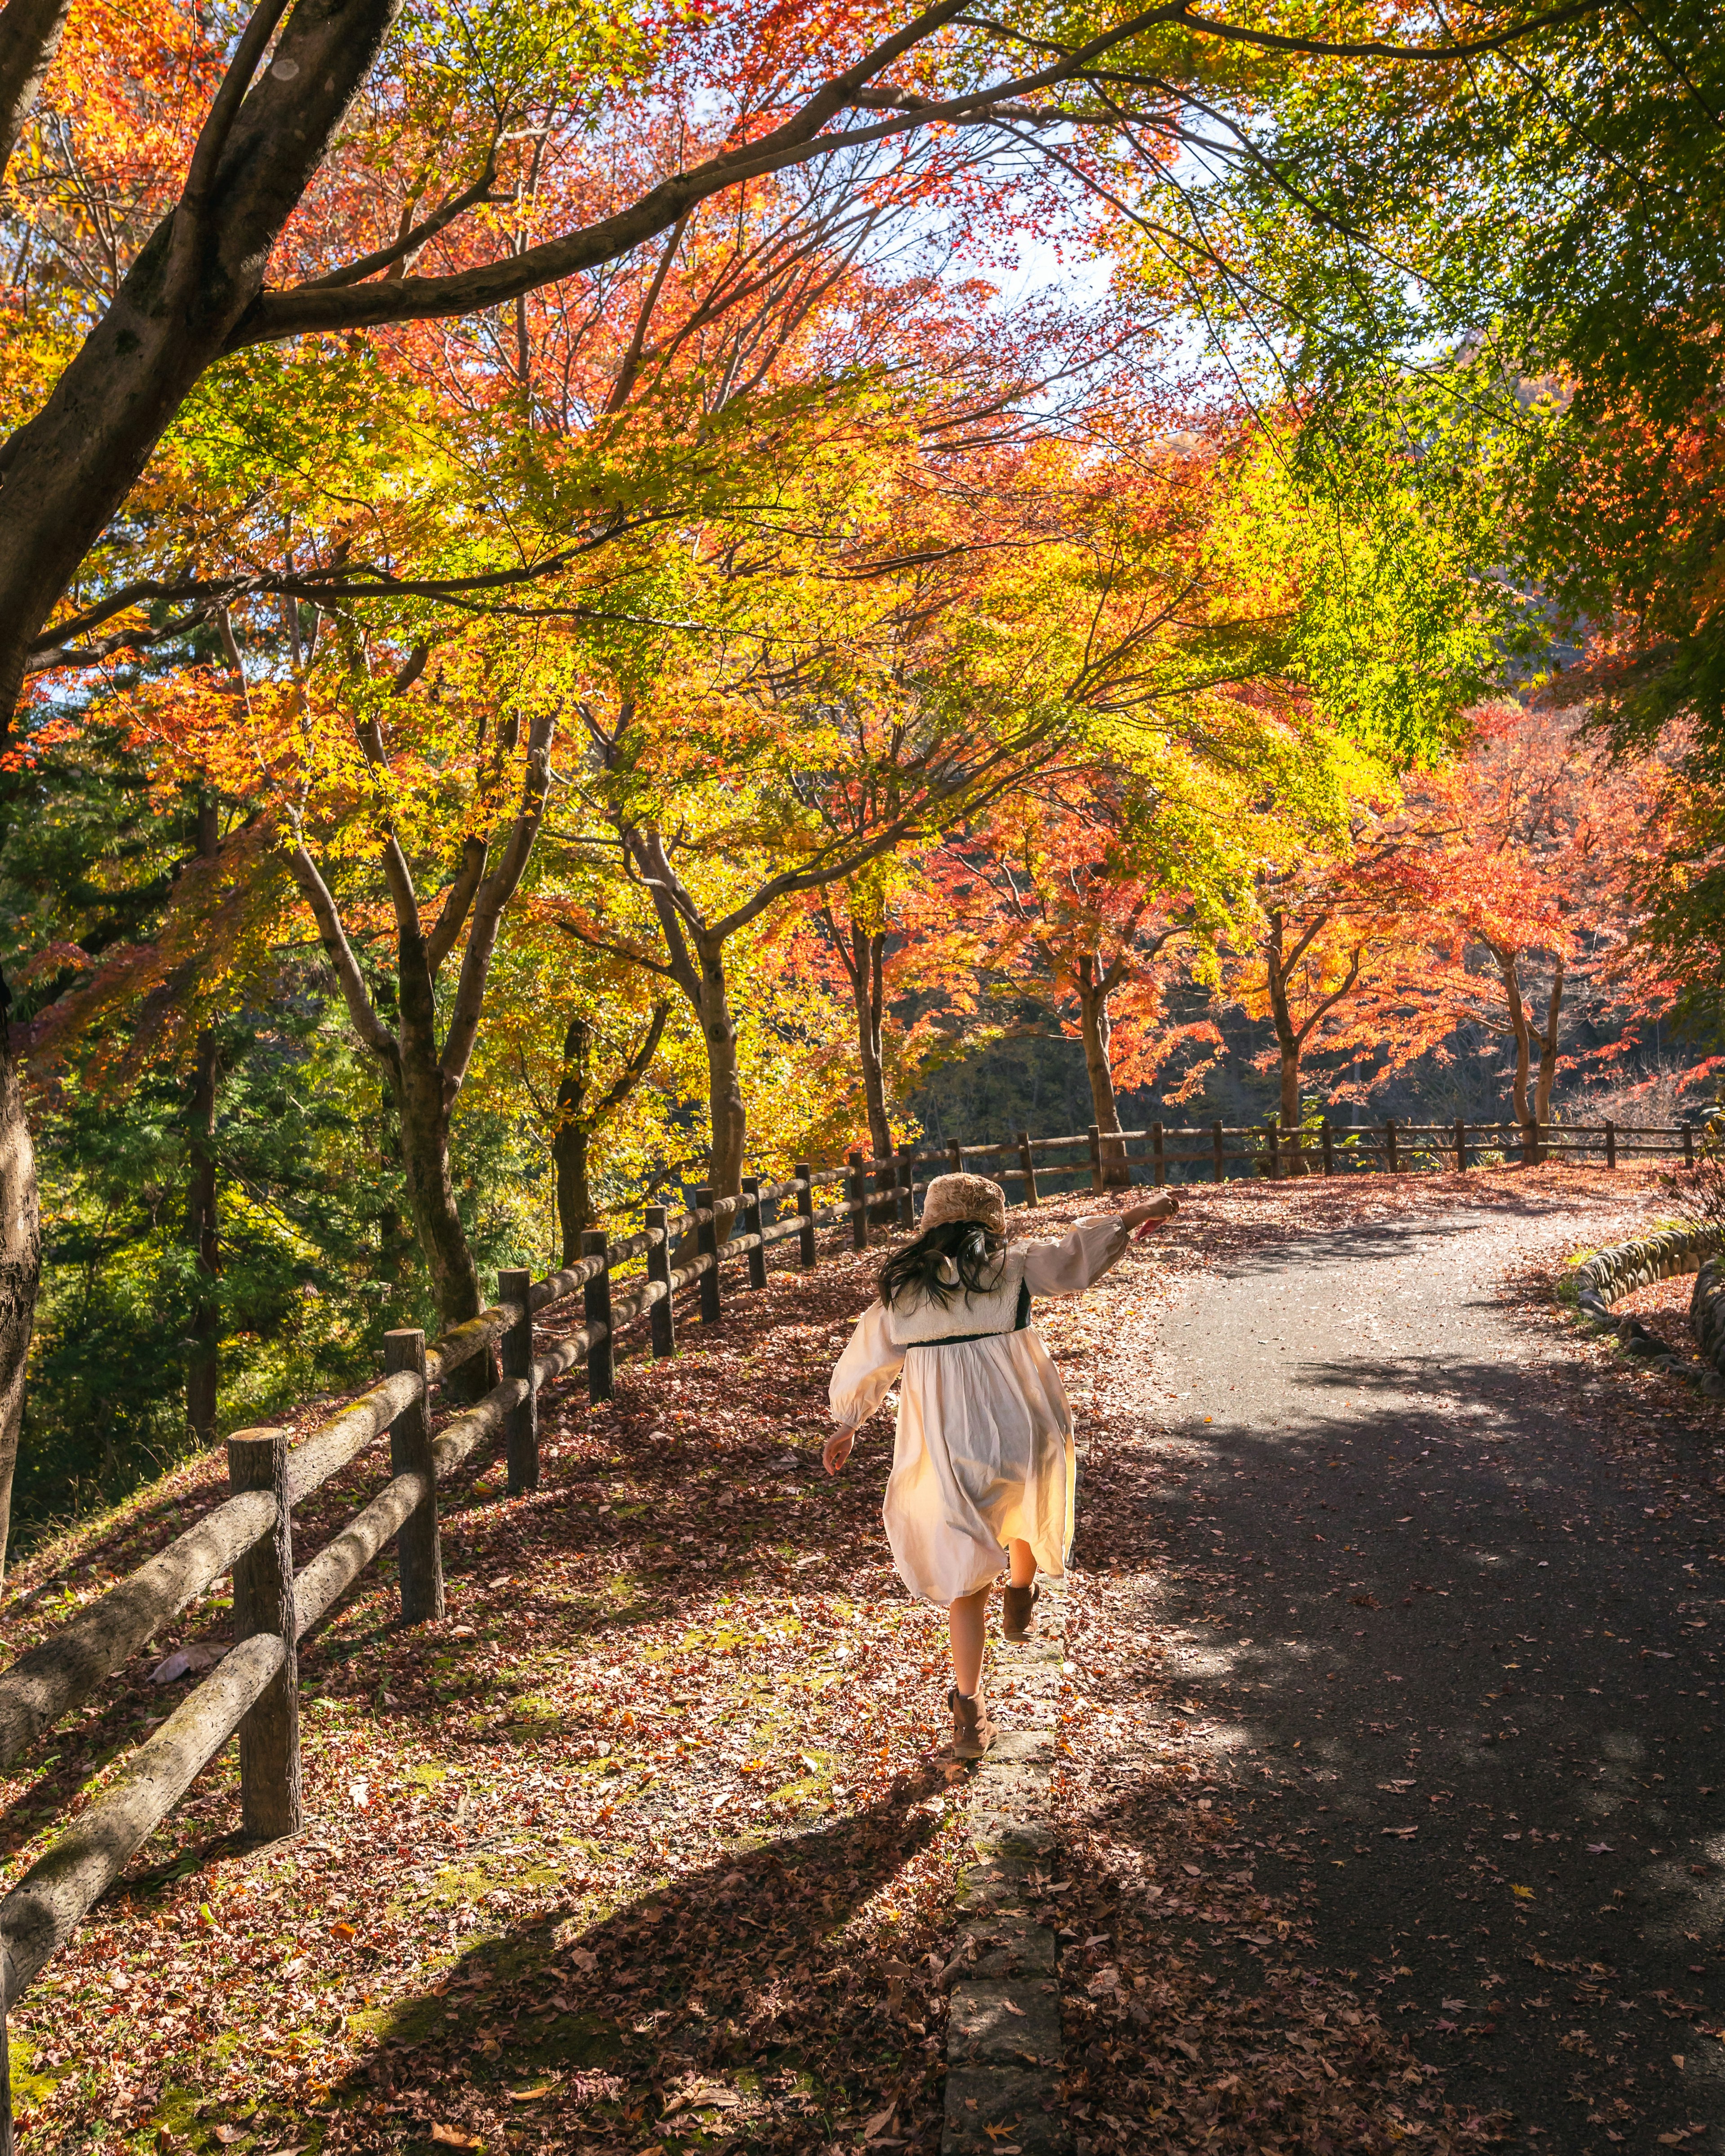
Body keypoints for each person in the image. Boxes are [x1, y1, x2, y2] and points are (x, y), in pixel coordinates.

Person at [823, 1171, 1178, 1758]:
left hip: (946, 1444)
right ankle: (1020, 1592)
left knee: (966, 1578)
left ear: (931, 1223)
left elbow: (869, 1361)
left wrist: (848, 1422)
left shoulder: (904, 1293)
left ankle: (968, 1713)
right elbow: (1073, 1260)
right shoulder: (1012, 1266)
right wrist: (1136, 1215)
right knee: (1021, 1510)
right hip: (1020, 1426)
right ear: (990, 1223)